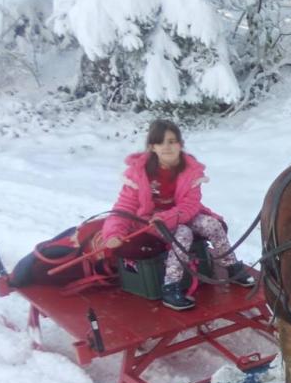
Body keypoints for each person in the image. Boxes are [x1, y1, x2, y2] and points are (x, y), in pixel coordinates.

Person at [99, 119, 254, 310]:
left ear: (180, 144)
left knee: (212, 224)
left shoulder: (191, 171)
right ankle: (170, 287)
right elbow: (124, 206)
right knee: (183, 234)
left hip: (182, 214)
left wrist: (167, 218)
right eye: (160, 142)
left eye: (172, 141)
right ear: (152, 147)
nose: (167, 147)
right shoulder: (138, 174)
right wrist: (113, 233)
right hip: (151, 221)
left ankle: (230, 266)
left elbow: (190, 205)